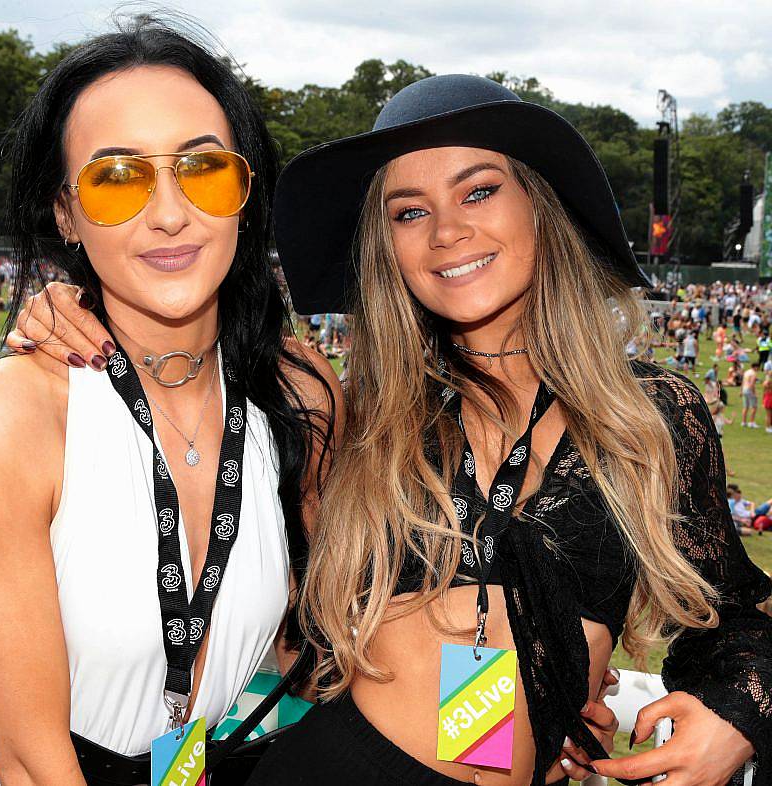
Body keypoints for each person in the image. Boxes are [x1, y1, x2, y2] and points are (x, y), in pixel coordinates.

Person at [245, 75, 768, 785]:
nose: (446, 230)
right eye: (407, 212)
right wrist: (65, 310)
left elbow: (737, 615)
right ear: (385, 248)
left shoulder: (651, 413)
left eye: (479, 190)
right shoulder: (357, 415)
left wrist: (738, 714)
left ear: (540, 208)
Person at [0, 17, 336, 785]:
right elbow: (30, 760)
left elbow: (326, 641)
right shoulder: (5, 418)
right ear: (64, 212)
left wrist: (540, 685)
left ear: (245, 189)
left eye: (202, 167)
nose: (169, 212)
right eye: (116, 177)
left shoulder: (299, 393)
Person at [742, 361, 760, 428]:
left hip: (744, 389)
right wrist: (754, 392)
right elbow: (752, 384)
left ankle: (743, 422)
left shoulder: (746, 372)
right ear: (755, 367)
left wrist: (741, 391)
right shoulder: (753, 373)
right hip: (749, 390)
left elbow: (743, 382)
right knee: (754, 407)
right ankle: (751, 422)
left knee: (745, 407)